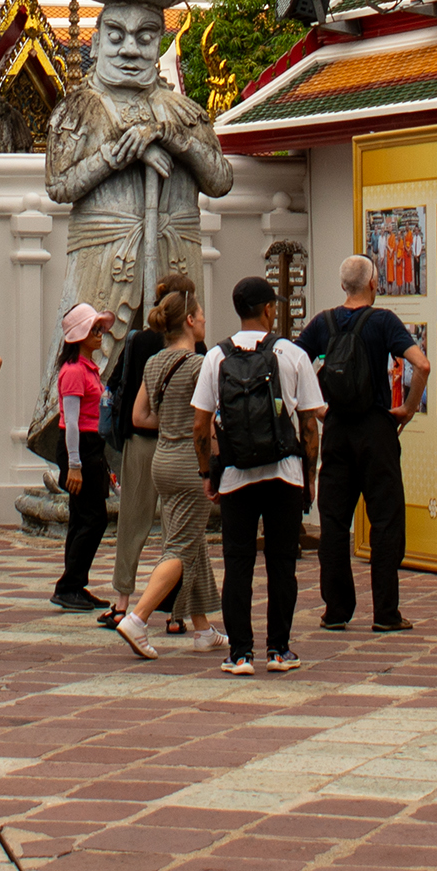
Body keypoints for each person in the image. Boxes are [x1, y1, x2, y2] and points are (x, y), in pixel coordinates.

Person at [195, 275, 326, 674]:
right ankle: (279, 649)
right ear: (269, 309)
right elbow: (308, 424)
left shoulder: (216, 357)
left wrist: (208, 473)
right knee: (282, 562)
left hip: (236, 475)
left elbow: (201, 425)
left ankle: (239, 653)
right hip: (284, 473)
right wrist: (310, 474)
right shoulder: (291, 353)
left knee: (237, 563)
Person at [296, 255, 429, 632]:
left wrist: (315, 408)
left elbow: (291, 362)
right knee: (386, 520)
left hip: (337, 427)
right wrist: (407, 407)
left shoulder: (323, 322)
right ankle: (386, 612)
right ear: (374, 284)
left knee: (335, 521)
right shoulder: (384, 321)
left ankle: (336, 609)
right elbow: (421, 365)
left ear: (343, 287)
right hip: (376, 427)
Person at [115, 294, 218, 658]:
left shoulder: (155, 362)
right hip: (190, 464)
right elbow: (204, 423)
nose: (205, 321)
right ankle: (138, 617)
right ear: (189, 320)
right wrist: (214, 462)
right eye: (201, 315)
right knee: (180, 546)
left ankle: (203, 628)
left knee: (191, 543)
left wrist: (173, 426)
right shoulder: (199, 365)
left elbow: (140, 416)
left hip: (162, 458)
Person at [107, 280, 192, 620]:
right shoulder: (192, 349)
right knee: (179, 529)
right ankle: (177, 611)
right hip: (177, 442)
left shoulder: (139, 341)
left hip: (139, 441)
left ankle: (122, 601)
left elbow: (114, 383)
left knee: (132, 520)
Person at [49, 303, 115, 612]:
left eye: (100, 328)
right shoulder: (74, 371)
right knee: (93, 518)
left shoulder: (86, 368)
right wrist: (74, 464)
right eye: (94, 329)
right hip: (80, 447)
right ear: (79, 336)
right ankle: (70, 584)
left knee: (82, 517)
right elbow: (71, 422)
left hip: (89, 446)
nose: (100, 334)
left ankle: (74, 584)